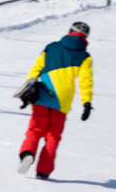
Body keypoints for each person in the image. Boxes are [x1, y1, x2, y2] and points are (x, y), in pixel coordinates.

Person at [17, 21, 93, 180]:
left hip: (43, 94)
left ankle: (27, 153)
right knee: (53, 136)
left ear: (69, 31)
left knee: (35, 129)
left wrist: (26, 89)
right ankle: (43, 171)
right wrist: (86, 102)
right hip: (62, 100)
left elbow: (35, 69)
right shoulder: (85, 57)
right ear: (85, 37)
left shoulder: (51, 47)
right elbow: (85, 81)